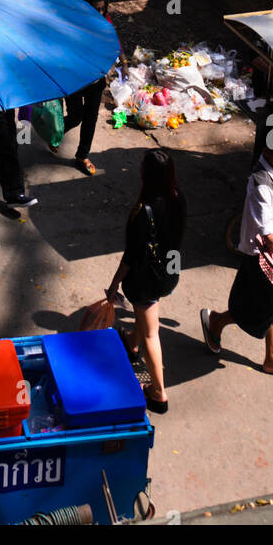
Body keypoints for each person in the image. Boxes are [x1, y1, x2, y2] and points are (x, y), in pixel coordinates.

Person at [200, 143, 273, 380]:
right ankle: (216, 321)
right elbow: (267, 233)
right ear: (266, 152)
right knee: (254, 310)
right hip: (261, 256)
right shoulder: (260, 183)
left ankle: (272, 359)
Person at [105, 150, 186, 414]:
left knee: (153, 331)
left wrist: (115, 283)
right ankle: (131, 342)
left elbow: (130, 257)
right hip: (169, 271)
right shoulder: (179, 199)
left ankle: (158, 392)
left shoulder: (143, 212)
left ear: (145, 176)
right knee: (144, 314)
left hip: (145, 279)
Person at [63, 0, 123, 176]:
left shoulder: (105, 23)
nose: (100, 13)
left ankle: (82, 156)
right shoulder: (72, 26)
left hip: (95, 82)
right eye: (95, 9)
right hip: (74, 80)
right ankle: (55, 135)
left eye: (102, 10)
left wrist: (124, 61)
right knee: (75, 116)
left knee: (90, 119)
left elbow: (114, 42)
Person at [0, 109, 37, 209]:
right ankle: (13, 194)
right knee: (6, 145)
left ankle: (13, 194)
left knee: (10, 144)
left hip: (5, 103)